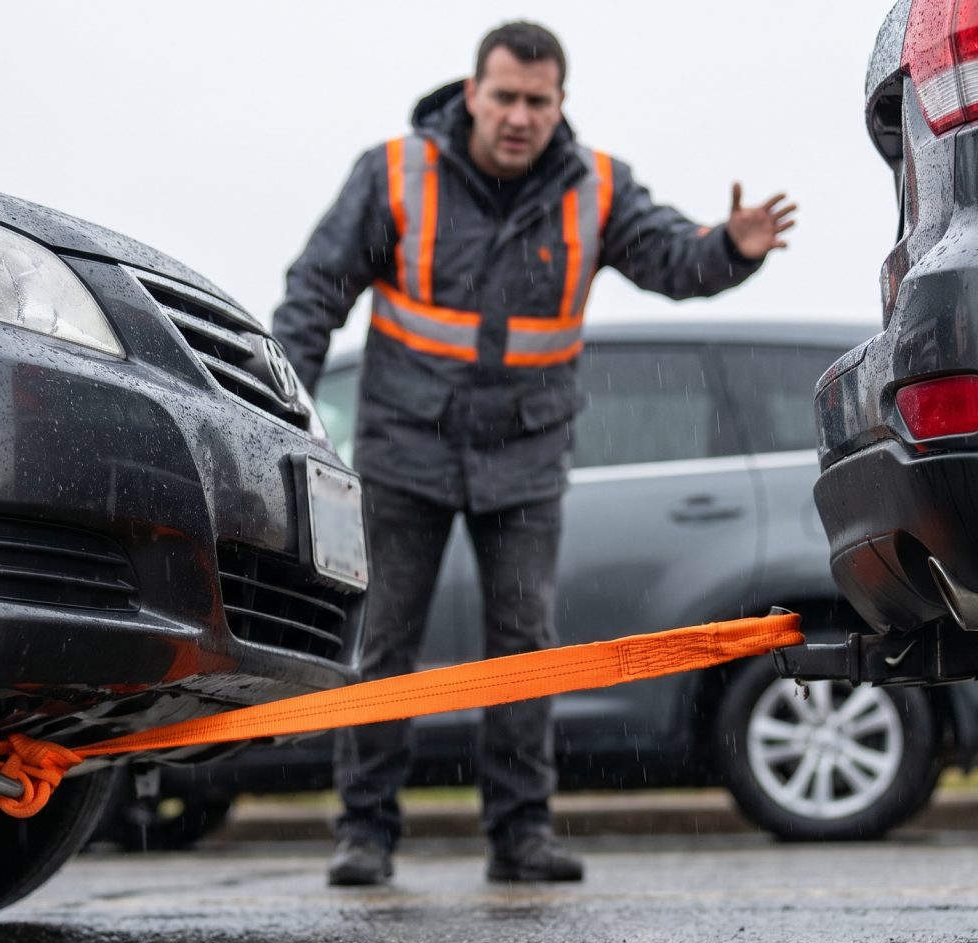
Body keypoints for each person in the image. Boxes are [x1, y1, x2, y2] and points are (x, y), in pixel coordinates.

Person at [272, 21, 796, 886]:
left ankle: (521, 834)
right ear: (472, 92)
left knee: (525, 646)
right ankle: (364, 832)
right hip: (407, 445)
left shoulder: (596, 187)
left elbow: (673, 258)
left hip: (524, 452)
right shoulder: (395, 172)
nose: (519, 116)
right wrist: (285, 406)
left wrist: (728, 251)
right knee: (387, 642)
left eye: (538, 101)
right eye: (505, 96)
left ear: (561, 105)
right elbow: (314, 294)